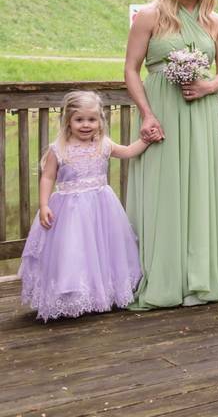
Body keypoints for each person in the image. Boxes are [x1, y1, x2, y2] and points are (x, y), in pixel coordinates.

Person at [124, 0, 218, 308]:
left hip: (199, 111)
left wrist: (207, 86)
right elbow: (130, 69)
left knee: (199, 187)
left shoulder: (217, 22)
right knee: (163, 188)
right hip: (162, 111)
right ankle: (162, 274)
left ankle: (198, 275)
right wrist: (147, 114)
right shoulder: (149, 17)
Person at [19, 91, 147, 321]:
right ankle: (72, 296)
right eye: (79, 120)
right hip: (69, 210)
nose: (86, 125)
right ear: (68, 121)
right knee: (73, 251)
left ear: (100, 121)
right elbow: (48, 177)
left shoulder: (104, 144)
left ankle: (102, 294)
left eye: (92, 119)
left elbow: (128, 151)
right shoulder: (58, 149)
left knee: (101, 249)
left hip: (101, 207)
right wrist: (44, 204)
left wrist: (145, 140)